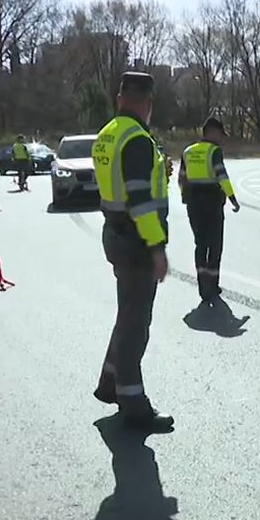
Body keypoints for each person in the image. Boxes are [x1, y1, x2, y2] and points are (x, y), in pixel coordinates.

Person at [91, 71, 174, 432]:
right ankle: (133, 402)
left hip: (115, 232)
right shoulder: (137, 139)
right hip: (137, 240)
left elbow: (123, 185)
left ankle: (111, 382)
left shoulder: (108, 134)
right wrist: (156, 248)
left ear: (119, 98)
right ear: (149, 102)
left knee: (127, 315)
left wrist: (160, 171)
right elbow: (140, 200)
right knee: (136, 323)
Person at [178, 117, 240, 302]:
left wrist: (186, 197)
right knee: (215, 245)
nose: (222, 138)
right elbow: (222, 176)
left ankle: (202, 284)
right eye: (221, 134)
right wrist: (232, 198)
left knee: (200, 244)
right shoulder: (214, 152)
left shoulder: (187, 152)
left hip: (193, 205)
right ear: (212, 132)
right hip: (212, 204)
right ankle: (212, 285)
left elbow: (181, 178)